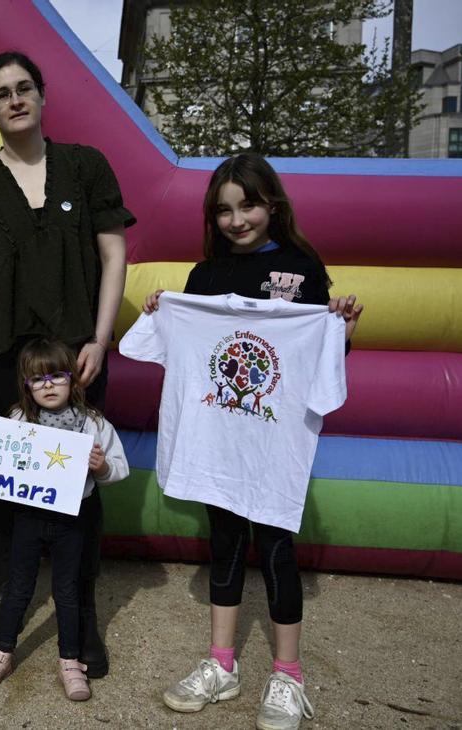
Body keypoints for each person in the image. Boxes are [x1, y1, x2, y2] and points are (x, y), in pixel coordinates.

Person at [136, 153, 362, 729]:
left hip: (272, 449)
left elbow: (319, 359)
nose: (237, 220)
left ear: (273, 205)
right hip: (219, 447)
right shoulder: (204, 278)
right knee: (225, 544)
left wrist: (341, 331)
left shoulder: (302, 268)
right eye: (224, 210)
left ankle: (288, 674)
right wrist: (162, 313)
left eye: (249, 206)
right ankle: (221, 664)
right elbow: (171, 345)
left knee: (278, 548)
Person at [0, 50, 134, 678]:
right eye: (1, 93)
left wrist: (100, 340)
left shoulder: (86, 167)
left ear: (42, 94)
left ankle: (79, 617)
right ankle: (7, 599)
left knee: (81, 488)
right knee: (6, 491)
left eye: (24, 87)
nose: (15, 99)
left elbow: (114, 257)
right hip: (9, 363)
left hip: (77, 357)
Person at [0, 339, 129, 701]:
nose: (48, 385)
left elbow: (120, 468)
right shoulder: (18, 420)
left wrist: (102, 467)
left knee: (68, 590)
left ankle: (70, 661)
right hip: (28, 517)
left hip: (72, 522)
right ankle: (3, 651)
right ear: (26, 385)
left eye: (57, 376)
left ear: (72, 379)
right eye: (38, 379)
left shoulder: (93, 423)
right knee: (17, 586)